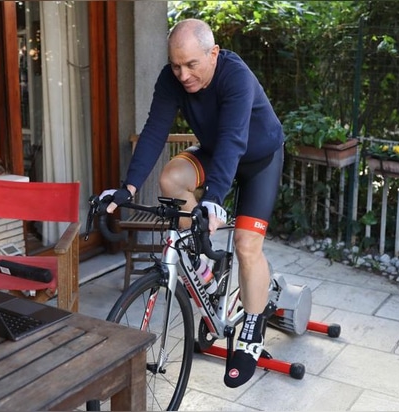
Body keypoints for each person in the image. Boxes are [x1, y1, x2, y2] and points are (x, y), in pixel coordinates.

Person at [100, 18, 284, 388]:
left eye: (191, 65)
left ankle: (252, 326)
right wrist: (128, 188)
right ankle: (204, 263)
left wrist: (214, 200)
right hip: (216, 154)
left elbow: (234, 139)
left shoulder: (236, 76)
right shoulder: (171, 79)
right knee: (171, 178)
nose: (182, 75)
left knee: (247, 245)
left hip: (259, 158)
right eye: (175, 65)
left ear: (213, 53)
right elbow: (155, 130)